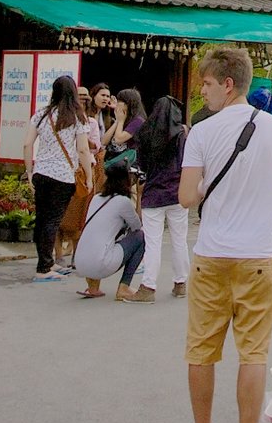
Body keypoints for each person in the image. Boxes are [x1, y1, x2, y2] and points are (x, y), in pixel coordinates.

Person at [180, 45, 272, 423]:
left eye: (208, 84)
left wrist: (209, 188)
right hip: (257, 258)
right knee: (252, 353)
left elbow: (184, 197)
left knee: (201, 350)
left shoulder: (200, 133)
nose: (204, 92)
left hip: (209, 257)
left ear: (227, 83)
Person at [28, 76, 95, 281]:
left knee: (42, 219)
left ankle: (46, 261)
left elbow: (27, 144)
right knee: (53, 220)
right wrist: (89, 177)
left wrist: (29, 171)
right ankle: (44, 268)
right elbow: (83, 149)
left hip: (41, 172)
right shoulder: (77, 116)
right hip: (63, 176)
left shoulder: (40, 114)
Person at [134, 95, 193, 299]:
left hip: (153, 193)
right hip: (177, 193)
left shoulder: (145, 133)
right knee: (179, 240)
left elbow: (140, 166)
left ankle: (148, 286)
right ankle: (180, 283)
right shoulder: (182, 135)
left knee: (153, 242)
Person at [75, 161, 148, 301]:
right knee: (141, 237)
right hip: (101, 264)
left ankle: (92, 288)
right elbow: (138, 226)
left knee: (100, 239)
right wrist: (139, 195)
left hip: (80, 263)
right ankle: (124, 287)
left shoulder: (96, 198)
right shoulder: (122, 202)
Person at [108, 87, 145, 170]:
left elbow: (118, 139)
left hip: (132, 163)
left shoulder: (138, 121)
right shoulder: (128, 119)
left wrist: (120, 120)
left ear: (128, 103)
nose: (118, 103)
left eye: (120, 101)